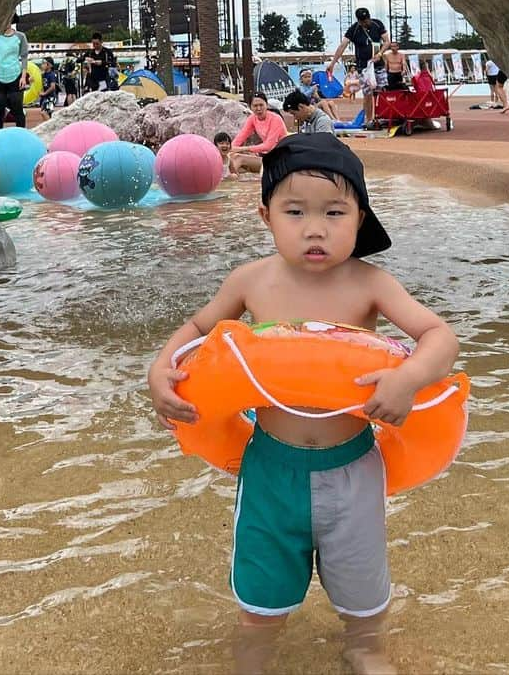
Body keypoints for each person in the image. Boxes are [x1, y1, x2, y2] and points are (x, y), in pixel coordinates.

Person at [147, 135, 460, 675]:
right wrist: (159, 369)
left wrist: (409, 376)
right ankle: (259, 652)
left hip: (353, 463)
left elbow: (439, 336)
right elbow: (199, 329)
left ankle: (364, 646)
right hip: (271, 466)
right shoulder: (252, 281)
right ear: (266, 215)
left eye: (335, 212)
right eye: (295, 212)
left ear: (359, 218)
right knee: (262, 593)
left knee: (362, 583)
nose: (315, 228)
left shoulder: (370, 284)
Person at [327, 8, 389, 125]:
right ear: (359, 21)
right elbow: (342, 46)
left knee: (382, 91)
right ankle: (369, 119)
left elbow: (387, 41)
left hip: (378, 64)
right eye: (363, 21)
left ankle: (383, 116)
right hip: (363, 66)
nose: (366, 23)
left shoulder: (377, 24)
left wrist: (380, 53)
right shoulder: (354, 29)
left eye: (367, 20)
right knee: (367, 93)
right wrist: (333, 63)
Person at [0, 14, 30, 130]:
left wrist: (23, 77)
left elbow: (24, 57)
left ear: (11, 21)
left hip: (15, 76)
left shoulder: (20, 37)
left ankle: (21, 135)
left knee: (18, 110)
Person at [229, 93, 286, 176]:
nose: (258, 108)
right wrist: (230, 150)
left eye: (261, 105)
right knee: (235, 158)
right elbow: (240, 138)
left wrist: (242, 149)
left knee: (240, 157)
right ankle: (229, 182)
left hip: (281, 157)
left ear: (266, 105)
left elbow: (268, 146)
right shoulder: (252, 119)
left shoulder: (276, 119)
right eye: (255, 106)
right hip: (266, 157)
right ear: (250, 107)